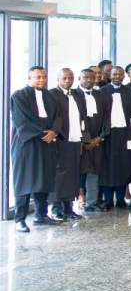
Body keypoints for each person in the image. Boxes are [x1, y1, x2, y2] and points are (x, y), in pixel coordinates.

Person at [9, 67, 61, 231]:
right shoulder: (19, 95)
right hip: (27, 144)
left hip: (47, 143)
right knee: (24, 180)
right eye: (38, 77)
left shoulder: (50, 96)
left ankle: (41, 215)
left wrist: (54, 132)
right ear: (29, 77)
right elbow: (22, 120)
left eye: (44, 77)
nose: (42, 80)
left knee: (44, 179)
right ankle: (19, 219)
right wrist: (43, 133)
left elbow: (58, 117)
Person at [99, 65, 131, 210]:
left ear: (124, 76)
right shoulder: (102, 92)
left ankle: (122, 199)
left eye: (120, 74)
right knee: (108, 167)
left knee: (125, 166)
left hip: (126, 134)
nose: (118, 76)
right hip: (108, 134)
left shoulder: (130, 92)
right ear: (110, 76)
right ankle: (109, 199)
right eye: (115, 74)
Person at [48, 68, 86, 220]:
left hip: (75, 140)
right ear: (58, 79)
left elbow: (82, 117)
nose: (67, 81)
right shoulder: (52, 94)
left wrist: (84, 139)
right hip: (61, 140)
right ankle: (56, 209)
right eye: (64, 78)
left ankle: (69, 208)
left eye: (70, 78)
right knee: (60, 175)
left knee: (73, 175)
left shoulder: (76, 94)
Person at [76, 68, 109, 212]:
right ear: (79, 78)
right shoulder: (74, 95)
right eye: (85, 77)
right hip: (80, 142)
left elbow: (107, 118)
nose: (89, 80)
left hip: (97, 141)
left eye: (91, 77)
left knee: (94, 171)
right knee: (79, 171)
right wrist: (86, 140)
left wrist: (100, 137)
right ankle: (78, 199)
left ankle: (92, 201)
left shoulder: (100, 95)